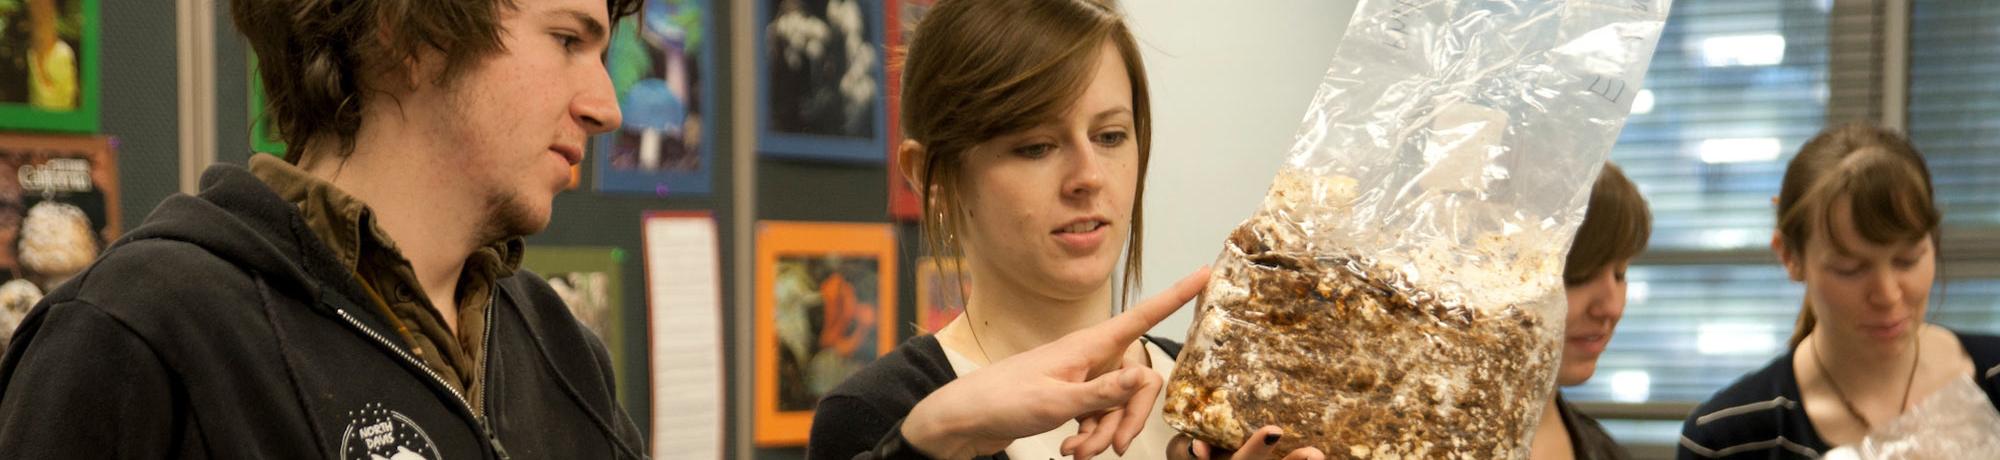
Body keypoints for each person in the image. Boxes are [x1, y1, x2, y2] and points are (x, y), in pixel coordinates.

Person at [0, 0, 648, 457]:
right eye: (567, 40)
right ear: (410, 32)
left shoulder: (561, 350)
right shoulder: (140, 332)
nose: (606, 108)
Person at [807, 1, 1323, 459]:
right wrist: (929, 440)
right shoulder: (884, 417)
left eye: (1110, 135)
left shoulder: (1219, 397)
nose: (1089, 177)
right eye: (1035, 146)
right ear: (931, 176)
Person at [1678, 123, 2000, 458]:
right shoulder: (1729, 438)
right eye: (1850, 269)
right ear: (1790, 256)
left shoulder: (1992, 375)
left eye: (1907, 260)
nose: (1887, 295)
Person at [1528, 163, 1651, 460]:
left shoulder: (1606, 452)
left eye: (1620, 274)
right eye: (1579, 276)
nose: (1611, 307)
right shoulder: (1411, 440)